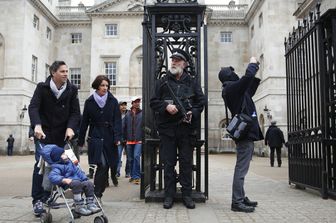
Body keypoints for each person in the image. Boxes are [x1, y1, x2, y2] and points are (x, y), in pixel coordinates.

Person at [150, 49, 205, 209]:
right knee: (168, 163)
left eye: (177, 60)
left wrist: (192, 112)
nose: (173, 62)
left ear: (185, 64)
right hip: (167, 130)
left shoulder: (192, 82)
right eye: (172, 60)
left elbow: (200, 102)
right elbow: (153, 102)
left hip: (186, 130)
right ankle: (169, 195)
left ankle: (187, 195)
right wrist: (166, 106)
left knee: (186, 163)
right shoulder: (162, 81)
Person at [28, 60, 80, 216]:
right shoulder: (42, 88)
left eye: (67, 71)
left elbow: (75, 113)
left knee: (72, 163)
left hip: (63, 136)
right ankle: (38, 200)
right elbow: (34, 107)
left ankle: (67, 198)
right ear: (53, 73)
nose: (66, 74)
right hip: (43, 135)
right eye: (62, 71)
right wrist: (37, 125)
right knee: (41, 166)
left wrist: (71, 127)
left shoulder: (71, 90)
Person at [219, 57, 263, 213]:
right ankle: (237, 202)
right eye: (233, 73)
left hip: (247, 134)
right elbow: (246, 79)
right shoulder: (231, 88)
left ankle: (241, 197)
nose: (235, 74)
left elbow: (249, 89)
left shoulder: (235, 89)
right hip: (245, 135)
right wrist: (252, 64)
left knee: (242, 167)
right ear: (229, 76)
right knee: (241, 169)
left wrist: (255, 72)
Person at [78, 75, 122, 202]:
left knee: (107, 166)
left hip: (110, 137)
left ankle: (98, 193)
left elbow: (117, 121)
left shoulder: (113, 101)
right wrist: (80, 140)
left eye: (107, 86)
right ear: (97, 86)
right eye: (102, 85)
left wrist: (117, 137)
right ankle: (96, 195)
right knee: (102, 165)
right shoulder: (89, 102)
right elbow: (84, 122)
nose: (105, 88)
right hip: (95, 136)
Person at [39, 145, 101, 215]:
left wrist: (84, 179)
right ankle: (79, 206)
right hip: (68, 186)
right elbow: (52, 176)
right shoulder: (57, 167)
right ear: (58, 158)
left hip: (79, 184)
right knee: (76, 183)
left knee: (89, 183)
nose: (66, 154)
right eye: (63, 154)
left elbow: (78, 172)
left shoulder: (70, 163)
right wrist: (63, 179)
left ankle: (91, 204)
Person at [124, 97, 142, 185]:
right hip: (129, 140)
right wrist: (123, 139)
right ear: (132, 103)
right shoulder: (127, 114)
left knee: (136, 157)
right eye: (136, 102)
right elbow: (123, 127)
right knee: (130, 159)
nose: (137, 103)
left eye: (138, 102)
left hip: (139, 140)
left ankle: (137, 176)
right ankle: (132, 175)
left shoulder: (142, 114)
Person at [117, 100, 130, 178]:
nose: (124, 106)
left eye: (125, 105)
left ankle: (128, 172)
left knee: (129, 157)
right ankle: (117, 172)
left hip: (128, 138)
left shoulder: (129, 114)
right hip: (119, 138)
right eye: (122, 105)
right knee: (118, 156)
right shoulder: (116, 115)